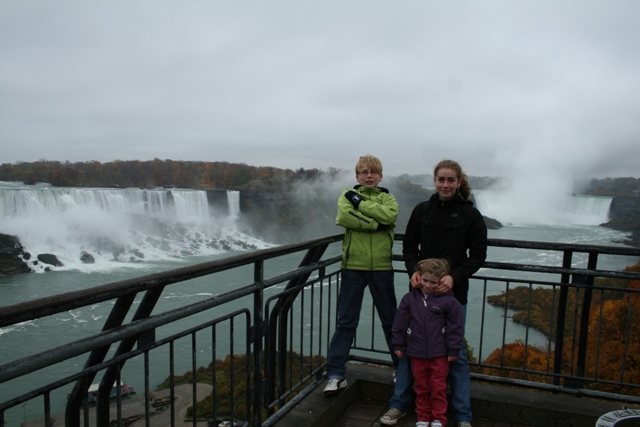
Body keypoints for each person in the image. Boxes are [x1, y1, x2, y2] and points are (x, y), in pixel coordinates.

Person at [380, 159, 487, 427]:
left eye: (451, 180)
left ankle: (463, 416)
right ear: (435, 181)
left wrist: (454, 277)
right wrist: (413, 271)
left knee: (456, 353)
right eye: (441, 179)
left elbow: (478, 255)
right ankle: (398, 405)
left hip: (453, 296)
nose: (445, 185)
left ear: (459, 182)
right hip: (420, 294)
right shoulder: (421, 210)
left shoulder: (471, 215)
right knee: (408, 350)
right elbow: (409, 247)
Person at [323, 154, 400, 394]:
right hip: (353, 267)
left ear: (380, 176)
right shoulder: (347, 195)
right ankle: (335, 375)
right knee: (346, 322)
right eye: (364, 172)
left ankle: (401, 369)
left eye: (373, 172)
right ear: (357, 176)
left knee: (391, 322)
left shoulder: (387, 198)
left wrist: (361, 205)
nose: (369, 176)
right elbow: (344, 217)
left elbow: (390, 216)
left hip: (381, 268)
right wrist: (375, 224)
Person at [392, 258, 464, 427]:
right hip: (416, 352)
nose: (428, 285)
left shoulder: (449, 302)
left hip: (440, 353)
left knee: (438, 387)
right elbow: (400, 323)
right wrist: (398, 344)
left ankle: (438, 418)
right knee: (421, 387)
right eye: (425, 280)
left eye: (433, 282)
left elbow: (456, 328)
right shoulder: (409, 299)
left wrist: (453, 349)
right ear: (418, 277)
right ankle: (423, 417)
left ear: (442, 281)